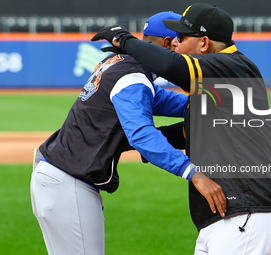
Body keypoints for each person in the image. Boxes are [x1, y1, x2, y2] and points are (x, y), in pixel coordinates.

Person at [91, 3, 271, 255]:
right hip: (230, 215)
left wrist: (124, 40)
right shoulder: (216, 84)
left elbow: (173, 66)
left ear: (204, 43)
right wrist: (127, 142)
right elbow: (187, 133)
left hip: (248, 209)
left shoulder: (233, 67)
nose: (175, 44)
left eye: (182, 37)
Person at [30, 11, 226, 255]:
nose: (183, 47)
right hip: (68, 183)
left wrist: (215, 106)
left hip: (58, 177)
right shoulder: (132, 77)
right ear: (168, 43)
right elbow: (142, 135)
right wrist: (192, 172)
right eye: (181, 39)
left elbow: (163, 100)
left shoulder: (126, 66)